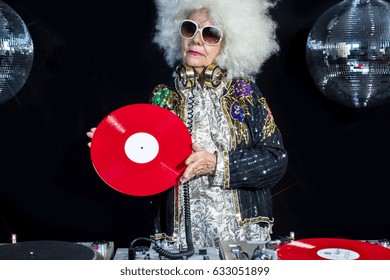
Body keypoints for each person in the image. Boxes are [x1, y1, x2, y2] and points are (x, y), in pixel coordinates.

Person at [87, 0, 288, 251]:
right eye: (189, 29)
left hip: (241, 238)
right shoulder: (163, 97)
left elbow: (275, 160)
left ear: (227, 45)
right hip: (175, 241)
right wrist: (114, 146)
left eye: (210, 34)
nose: (196, 40)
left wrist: (216, 164)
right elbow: (147, 164)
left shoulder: (245, 93)